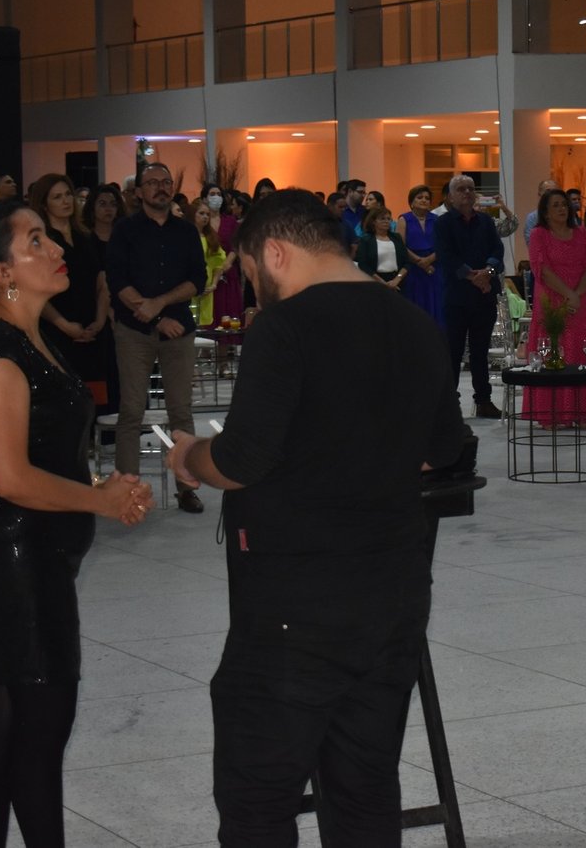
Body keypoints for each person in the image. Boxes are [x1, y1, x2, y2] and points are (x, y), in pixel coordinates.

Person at [160, 189, 466, 847]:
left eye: (251, 273)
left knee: (258, 795)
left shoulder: (285, 327)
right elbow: (444, 448)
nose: (254, 290)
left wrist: (189, 456)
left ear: (275, 252)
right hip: (394, 594)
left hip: (294, 605)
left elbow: (241, 459)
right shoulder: (415, 323)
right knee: (364, 787)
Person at [0, 199, 151, 846]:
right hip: (14, 558)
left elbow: (43, 454)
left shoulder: (29, 336)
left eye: (49, 236)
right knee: (37, 731)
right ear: (2, 271)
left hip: (29, 553)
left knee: (6, 722)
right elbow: (8, 476)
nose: (56, 248)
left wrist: (99, 488)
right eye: (35, 240)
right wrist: (99, 501)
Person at [105, 162, 209, 510]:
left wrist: (160, 306)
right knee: (131, 412)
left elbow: (198, 280)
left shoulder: (186, 231)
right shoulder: (124, 230)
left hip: (178, 331)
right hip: (134, 331)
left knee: (181, 411)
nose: (161, 188)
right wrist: (153, 316)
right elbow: (117, 281)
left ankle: (186, 487)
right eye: (152, 183)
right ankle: (128, 492)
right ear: (139, 192)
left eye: (166, 182)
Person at [28, 174, 112, 405]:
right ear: (44, 204)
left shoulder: (85, 236)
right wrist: (64, 325)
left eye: (68, 195)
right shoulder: (42, 242)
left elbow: (102, 280)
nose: (66, 201)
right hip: (57, 328)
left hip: (92, 325)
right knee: (64, 401)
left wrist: (100, 320)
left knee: (94, 400)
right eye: (57, 197)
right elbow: (36, 291)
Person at [523, 189, 586, 422]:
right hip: (552, 301)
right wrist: (568, 294)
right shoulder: (539, 234)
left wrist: (577, 294)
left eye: (564, 204)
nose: (562, 209)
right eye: (556, 205)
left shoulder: (582, 233)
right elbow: (542, 269)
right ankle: (549, 414)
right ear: (545, 212)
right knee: (552, 351)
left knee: (579, 353)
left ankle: (581, 413)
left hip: (579, 301)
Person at [435, 174, 505, 419]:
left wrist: (488, 272)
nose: (467, 192)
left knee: (480, 351)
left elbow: (497, 250)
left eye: (470, 188)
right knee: (453, 351)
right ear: (450, 196)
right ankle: (449, 403)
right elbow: (446, 256)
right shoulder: (443, 223)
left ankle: (483, 401)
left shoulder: (485, 221)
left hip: (484, 295)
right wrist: (472, 276)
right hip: (457, 296)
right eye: (461, 189)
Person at [202, 181, 245, 329]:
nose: (216, 197)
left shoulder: (230, 221)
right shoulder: (202, 221)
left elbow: (236, 243)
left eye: (219, 194)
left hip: (228, 274)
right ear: (204, 199)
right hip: (208, 275)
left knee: (229, 317)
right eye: (212, 194)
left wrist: (228, 261)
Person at [398, 184, 442, 323]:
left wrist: (429, 260)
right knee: (416, 306)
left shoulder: (436, 219)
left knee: (436, 305)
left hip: (434, 267)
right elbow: (401, 245)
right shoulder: (404, 219)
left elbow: (443, 245)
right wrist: (420, 262)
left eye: (427, 198)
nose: (424, 200)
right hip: (413, 269)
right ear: (411, 202)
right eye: (420, 197)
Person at [189, 199, 229, 326]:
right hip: (189, 290)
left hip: (207, 291)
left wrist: (214, 284)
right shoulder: (185, 236)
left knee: (204, 326)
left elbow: (218, 264)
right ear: (193, 214)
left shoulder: (211, 237)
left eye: (207, 214)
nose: (205, 217)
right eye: (201, 213)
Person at [354, 205, 409, 293]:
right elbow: (363, 265)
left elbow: (406, 262)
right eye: (382, 219)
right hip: (375, 282)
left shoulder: (396, 238)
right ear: (373, 222)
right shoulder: (366, 240)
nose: (386, 221)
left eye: (388, 219)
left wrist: (397, 279)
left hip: (397, 282)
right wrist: (382, 282)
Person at [522, 177, 561, 243]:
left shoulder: (565, 215)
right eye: (548, 191)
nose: (552, 194)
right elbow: (531, 243)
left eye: (555, 192)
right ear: (539, 195)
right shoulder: (532, 218)